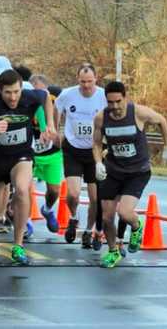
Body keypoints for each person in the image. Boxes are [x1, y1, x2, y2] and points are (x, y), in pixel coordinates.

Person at [0, 69, 55, 269]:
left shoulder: (30, 96)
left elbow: (46, 97)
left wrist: (50, 125)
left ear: (22, 89)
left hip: (21, 154)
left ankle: (18, 245)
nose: (13, 97)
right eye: (8, 93)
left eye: (16, 92)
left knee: (21, 190)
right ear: (0, 91)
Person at [93, 81, 167, 268]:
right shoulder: (100, 118)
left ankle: (137, 227)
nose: (114, 107)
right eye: (110, 102)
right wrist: (98, 163)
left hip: (137, 172)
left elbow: (161, 120)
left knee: (124, 212)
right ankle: (113, 251)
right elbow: (96, 143)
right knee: (107, 216)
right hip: (113, 171)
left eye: (118, 102)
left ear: (125, 98)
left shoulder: (138, 112)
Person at [54, 64, 107, 249]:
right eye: (83, 82)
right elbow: (56, 107)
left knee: (95, 198)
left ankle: (88, 230)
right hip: (73, 149)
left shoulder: (103, 96)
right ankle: (74, 217)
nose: (86, 86)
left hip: (95, 152)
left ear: (96, 79)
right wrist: (55, 130)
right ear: (78, 80)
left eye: (90, 82)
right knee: (73, 194)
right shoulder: (67, 94)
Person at [29, 74, 63, 233]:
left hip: (52, 152)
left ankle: (48, 209)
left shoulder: (56, 97)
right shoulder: (23, 101)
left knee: (55, 190)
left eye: (42, 92)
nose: (39, 96)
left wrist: (60, 134)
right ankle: (25, 222)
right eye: (35, 92)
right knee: (24, 189)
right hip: (30, 153)